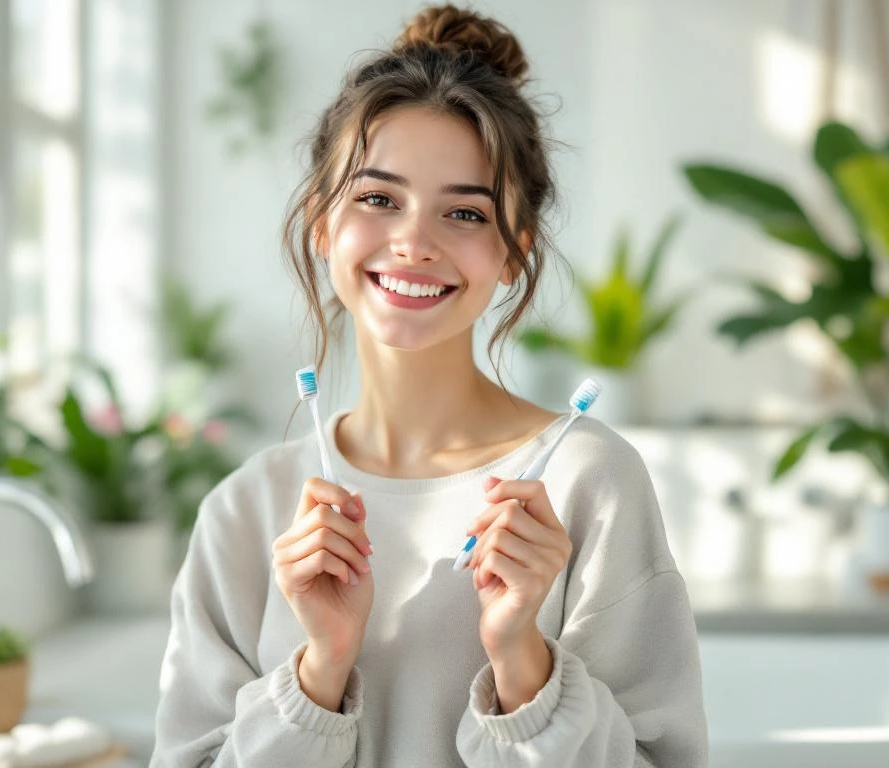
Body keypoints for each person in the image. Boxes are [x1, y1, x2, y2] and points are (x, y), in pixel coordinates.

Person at [150, 5, 708, 767]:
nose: (414, 242)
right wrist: (320, 671)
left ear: (514, 252)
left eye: (465, 212)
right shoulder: (245, 512)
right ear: (322, 222)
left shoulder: (586, 482)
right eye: (378, 199)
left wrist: (522, 662)